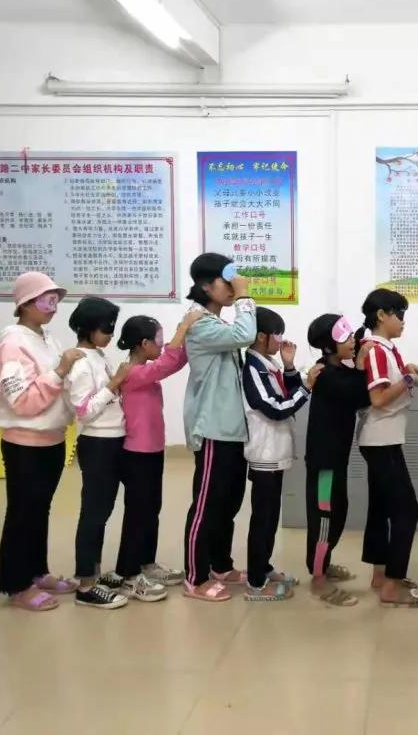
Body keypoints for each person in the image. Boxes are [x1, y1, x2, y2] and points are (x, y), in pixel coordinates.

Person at [0, 272, 83, 611]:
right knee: (22, 512)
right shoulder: (13, 343)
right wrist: (60, 371)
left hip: (52, 439)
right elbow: (23, 402)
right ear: (25, 303)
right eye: (46, 300)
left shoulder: (47, 338)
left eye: (55, 300)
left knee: (40, 509)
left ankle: (37, 572)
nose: (52, 307)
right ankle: (16, 585)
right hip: (24, 443)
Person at [181, 253, 256, 602]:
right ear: (206, 286)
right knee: (206, 506)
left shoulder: (214, 322)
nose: (231, 286)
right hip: (213, 428)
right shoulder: (199, 323)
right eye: (226, 281)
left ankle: (220, 565)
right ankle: (195, 578)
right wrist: (244, 295)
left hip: (232, 428)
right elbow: (245, 333)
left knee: (228, 504)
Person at [66, 296, 147, 608]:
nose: (111, 334)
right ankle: (86, 584)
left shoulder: (98, 356)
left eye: (113, 328)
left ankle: (96, 574)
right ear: (87, 328)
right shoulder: (80, 363)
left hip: (114, 440)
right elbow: (84, 411)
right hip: (97, 442)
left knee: (104, 510)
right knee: (94, 513)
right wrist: (115, 383)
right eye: (106, 328)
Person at [115, 311, 202, 590]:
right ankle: (129, 572)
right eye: (159, 340)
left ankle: (146, 563)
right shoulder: (132, 373)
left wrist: (188, 336)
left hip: (152, 450)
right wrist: (183, 327)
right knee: (138, 511)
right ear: (144, 344)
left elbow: (174, 361)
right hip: (136, 453)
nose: (163, 345)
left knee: (152, 508)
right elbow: (168, 363)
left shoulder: (146, 372)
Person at [355, 288, 418, 608]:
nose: (403, 321)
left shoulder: (384, 349)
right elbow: (378, 399)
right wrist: (409, 380)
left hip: (385, 438)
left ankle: (380, 575)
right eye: (399, 314)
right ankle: (391, 585)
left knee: (381, 508)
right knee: (407, 511)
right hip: (380, 439)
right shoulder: (376, 350)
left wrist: (407, 371)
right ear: (381, 315)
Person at [241, 307, 319, 601]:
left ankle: (264, 567)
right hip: (264, 453)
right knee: (262, 518)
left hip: (276, 452)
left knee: (271, 516)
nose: (282, 340)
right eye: (278, 334)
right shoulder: (252, 367)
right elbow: (274, 407)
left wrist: (289, 366)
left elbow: (289, 391)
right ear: (262, 336)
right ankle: (256, 582)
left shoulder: (269, 363)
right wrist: (306, 388)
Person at [304, 313, 370, 607]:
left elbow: (353, 385)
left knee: (338, 513)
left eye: (352, 336)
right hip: (325, 464)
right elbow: (360, 394)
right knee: (324, 519)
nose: (352, 341)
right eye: (346, 338)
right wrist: (361, 363)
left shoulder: (337, 369)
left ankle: (324, 564)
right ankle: (318, 579)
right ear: (329, 347)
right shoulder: (326, 376)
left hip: (336, 459)